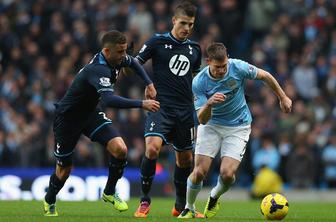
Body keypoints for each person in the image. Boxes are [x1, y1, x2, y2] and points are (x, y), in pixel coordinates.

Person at [43, 30, 160, 216]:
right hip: (68, 119)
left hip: (90, 114)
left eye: (124, 51)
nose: (124, 56)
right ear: (107, 51)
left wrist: (149, 83)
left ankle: (109, 192)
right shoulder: (98, 69)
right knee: (64, 170)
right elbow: (108, 100)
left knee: (120, 149)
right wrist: (141, 104)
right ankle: (50, 198)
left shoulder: (117, 58)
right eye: (120, 52)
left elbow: (134, 62)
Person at [178, 42, 292, 219]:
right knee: (199, 172)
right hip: (211, 126)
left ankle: (214, 196)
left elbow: (265, 75)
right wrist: (209, 103)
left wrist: (283, 97)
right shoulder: (199, 82)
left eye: (224, 66)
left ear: (228, 59)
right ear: (208, 62)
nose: (222, 70)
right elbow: (202, 119)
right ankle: (189, 207)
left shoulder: (237, 67)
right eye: (217, 67)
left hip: (238, 126)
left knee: (227, 174)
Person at [133, 1, 203, 218]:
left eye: (191, 24)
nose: (187, 28)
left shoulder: (195, 49)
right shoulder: (157, 41)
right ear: (174, 20)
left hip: (185, 111)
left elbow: (196, 78)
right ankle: (144, 200)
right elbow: (135, 63)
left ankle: (180, 205)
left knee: (185, 160)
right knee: (152, 148)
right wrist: (148, 83)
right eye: (183, 23)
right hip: (161, 107)